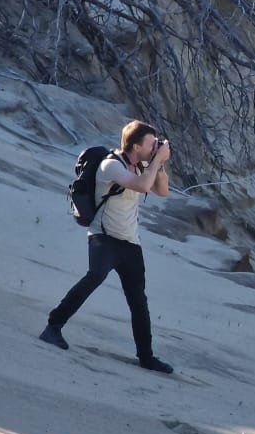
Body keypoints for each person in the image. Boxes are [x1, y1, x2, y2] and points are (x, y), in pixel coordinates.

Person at [40, 121, 175, 373]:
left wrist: (159, 161)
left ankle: (146, 356)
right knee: (94, 277)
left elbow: (162, 190)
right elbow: (143, 186)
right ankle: (53, 327)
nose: (155, 146)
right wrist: (155, 161)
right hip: (104, 236)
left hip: (130, 242)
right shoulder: (111, 165)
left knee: (138, 300)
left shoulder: (142, 165)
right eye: (150, 143)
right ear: (136, 146)